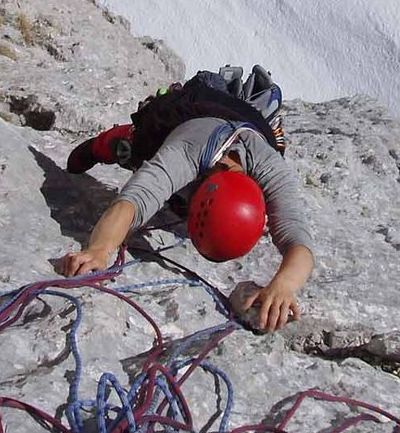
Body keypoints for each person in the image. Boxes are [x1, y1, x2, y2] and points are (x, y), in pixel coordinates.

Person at [55, 66, 314, 332]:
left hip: (247, 120)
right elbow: (133, 200)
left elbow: (298, 240)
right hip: (193, 107)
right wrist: (99, 250)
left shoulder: (271, 168)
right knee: (133, 146)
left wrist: (284, 285)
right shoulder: (186, 152)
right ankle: (109, 141)